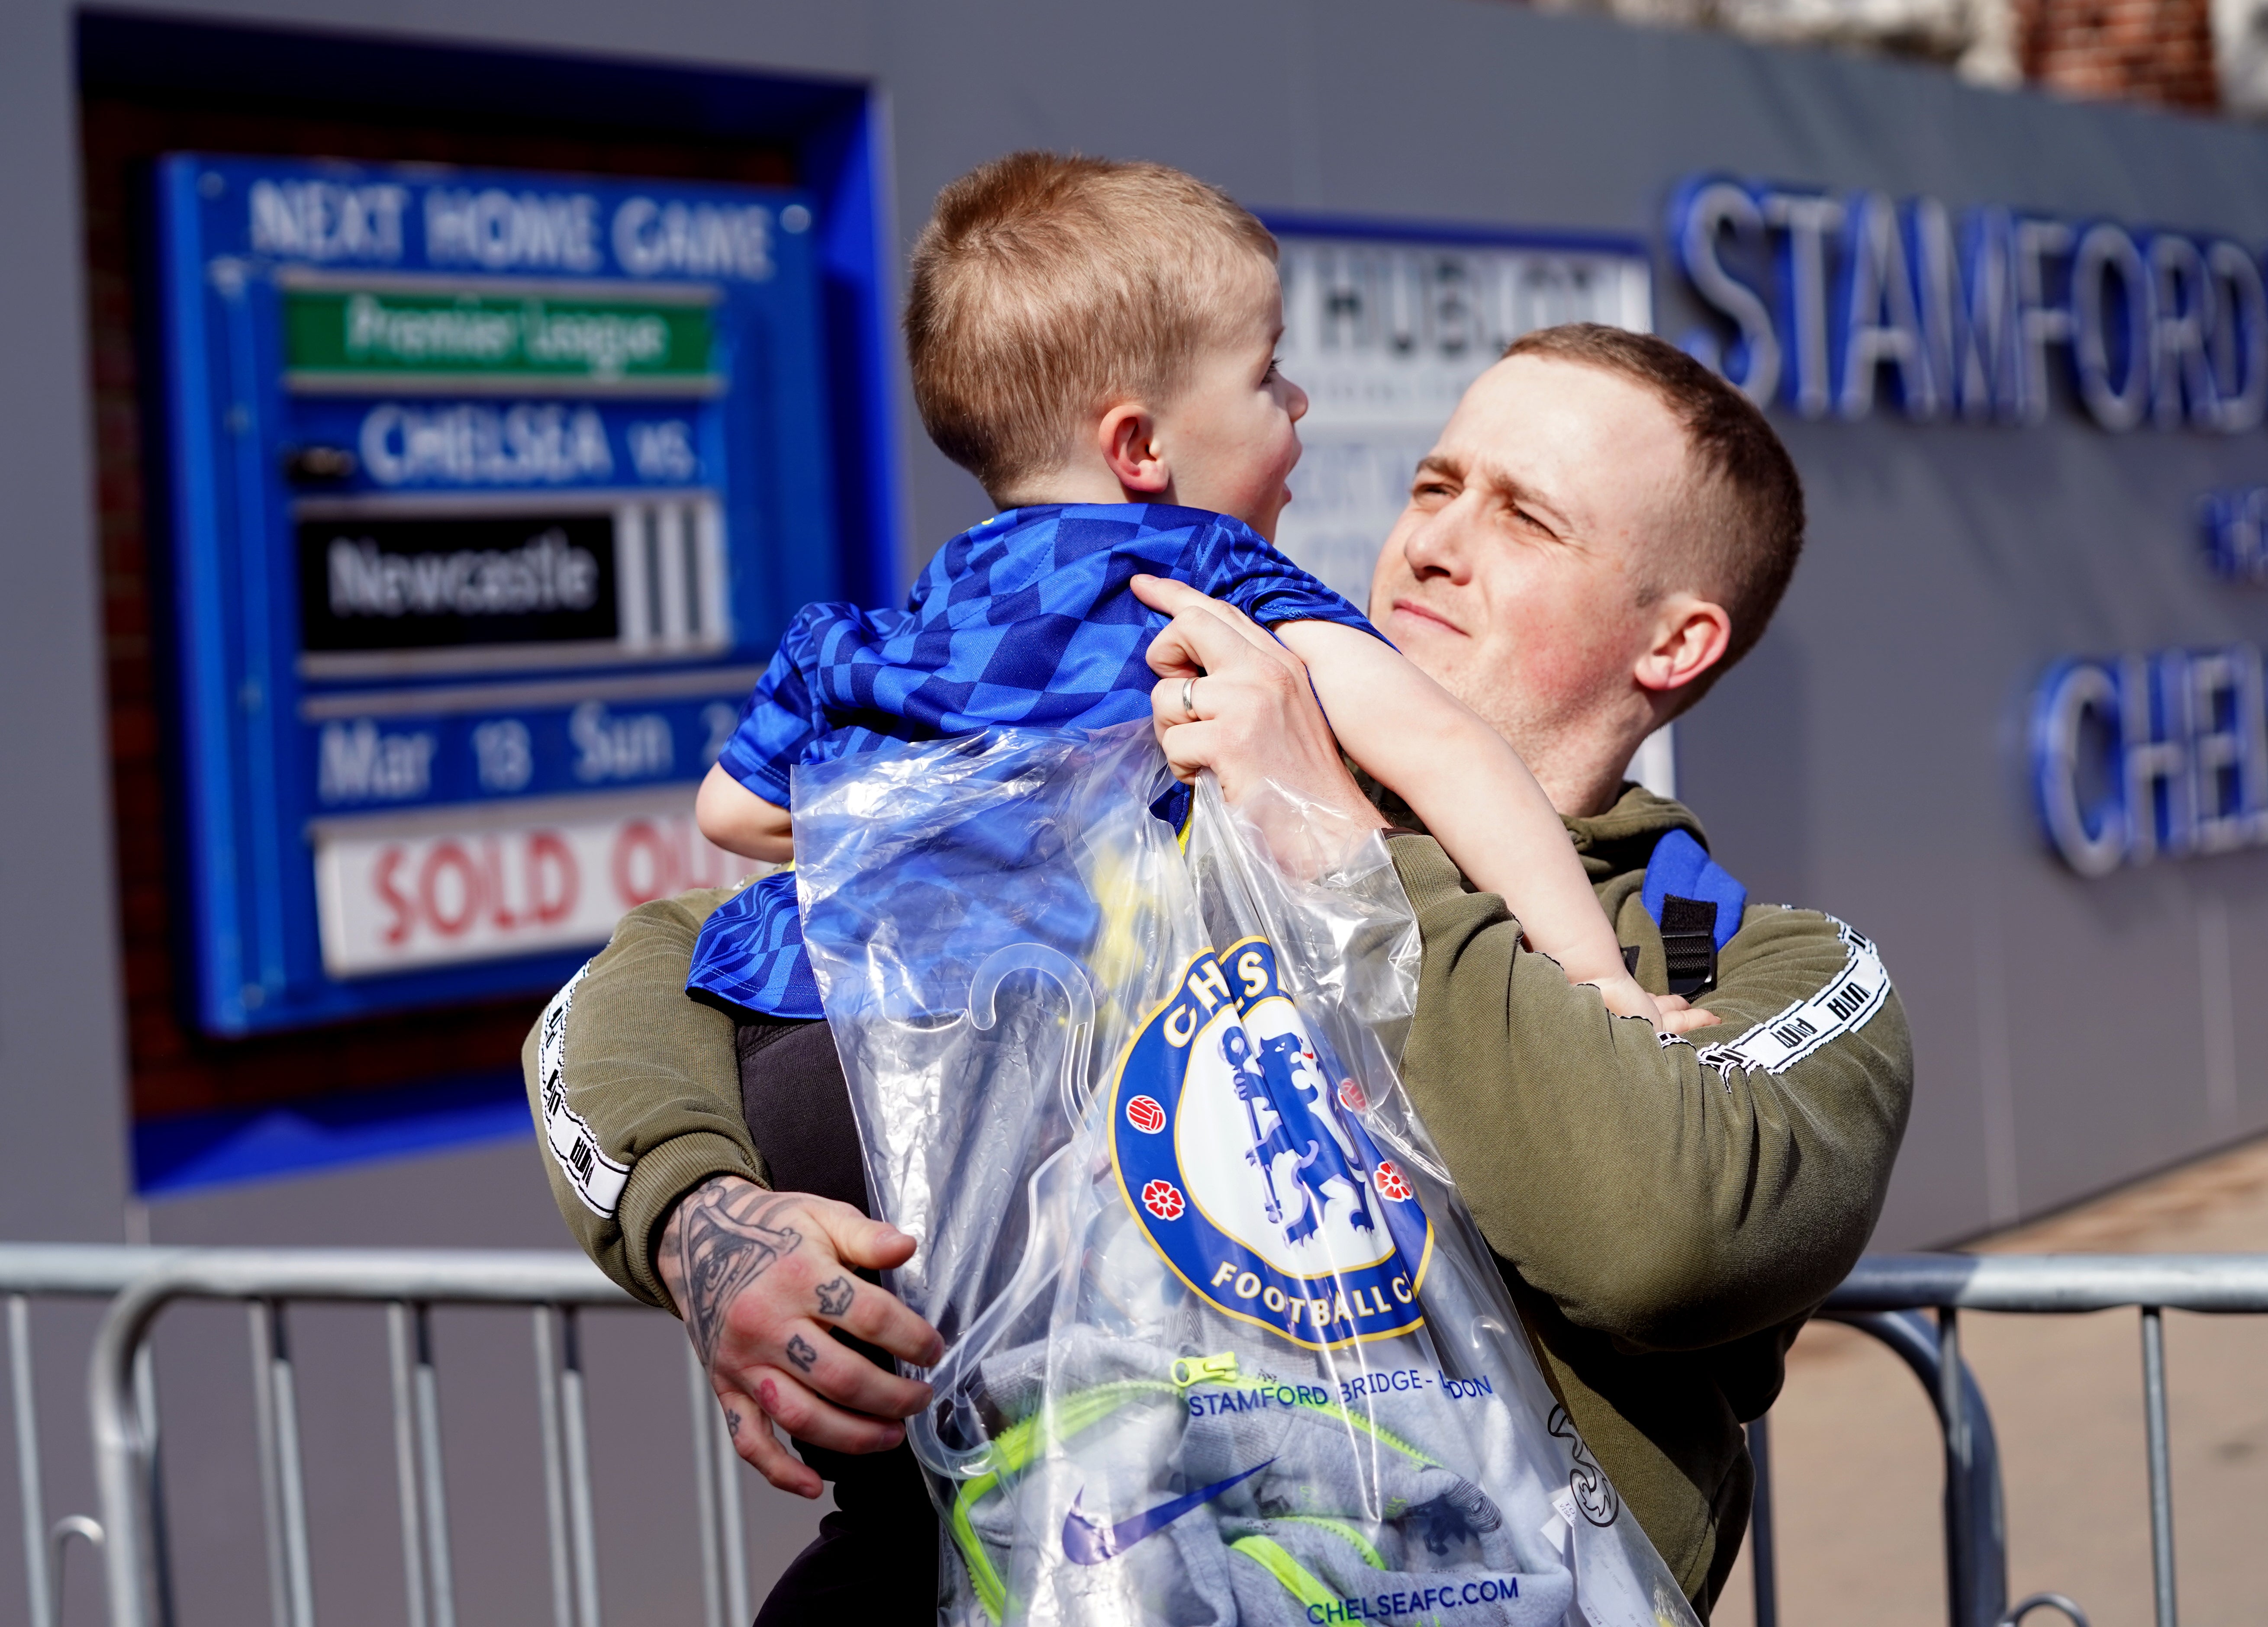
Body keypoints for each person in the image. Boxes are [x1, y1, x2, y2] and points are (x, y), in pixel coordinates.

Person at [525, 319, 1912, 1621]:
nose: (1434, 542)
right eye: (1437, 484)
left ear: (1676, 641)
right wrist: (705, 1220)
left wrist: (1339, 842)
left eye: (1525, 517)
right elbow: (638, 988)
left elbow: (1665, 1230)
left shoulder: (1754, 961)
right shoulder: (1132, 824)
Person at [682, 151, 1666, 1031]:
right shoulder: (1207, 578)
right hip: (1074, 1045)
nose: (1299, 398)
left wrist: (962, 824)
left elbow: (728, 813)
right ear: (1140, 446)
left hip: (813, 1023)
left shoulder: (915, 621)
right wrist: (1593, 973)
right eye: (1268, 371)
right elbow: (1448, 750)